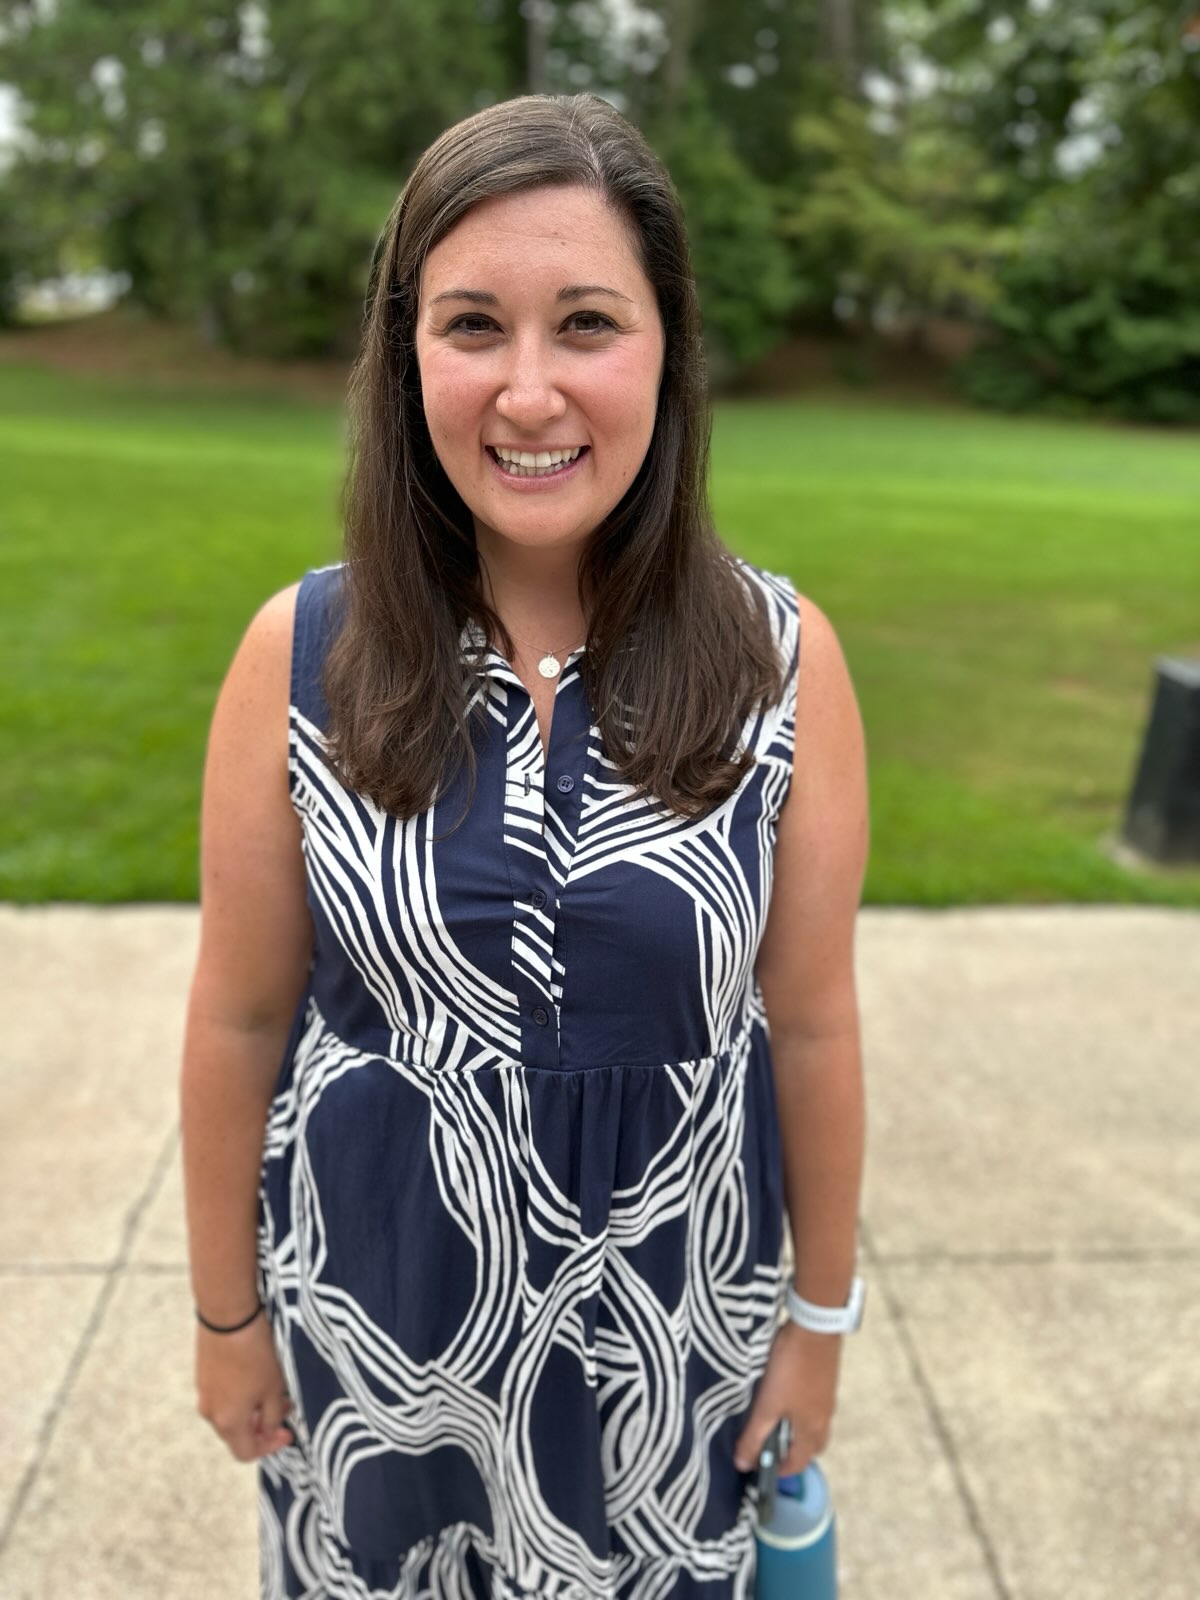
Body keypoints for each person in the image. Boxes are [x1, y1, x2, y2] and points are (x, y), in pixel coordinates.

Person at [180, 90, 868, 1600]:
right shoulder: (301, 653)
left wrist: (820, 1324)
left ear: (668, 350)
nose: (531, 391)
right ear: (407, 354)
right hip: (374, 1342)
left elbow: (813, 1026)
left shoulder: (781, 660)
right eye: (474, 326)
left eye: (589, 324)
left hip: (671, 1356)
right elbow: (237, 1016)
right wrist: (226, 1319)